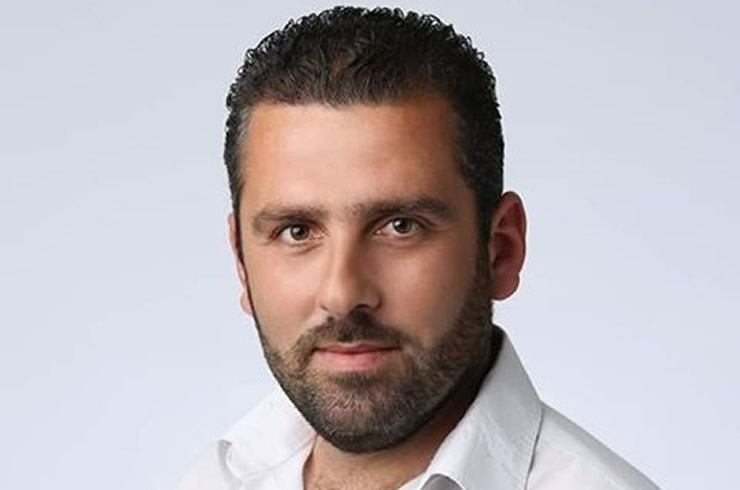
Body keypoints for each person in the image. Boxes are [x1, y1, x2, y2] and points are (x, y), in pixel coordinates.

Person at [177, 6, 660, 490]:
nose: (342, 294)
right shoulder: (213, 478)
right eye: (297, 232)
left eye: (400, 227)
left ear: (501, 250)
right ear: (241, 261)